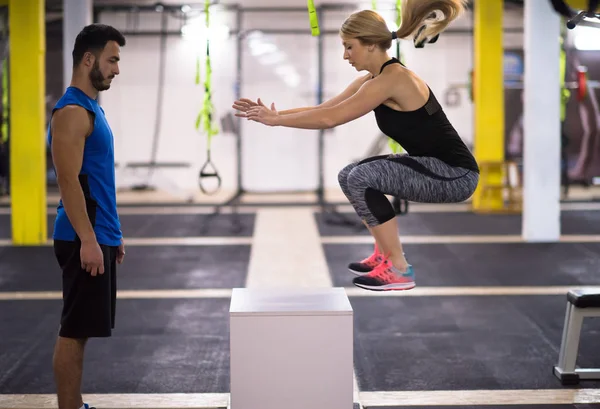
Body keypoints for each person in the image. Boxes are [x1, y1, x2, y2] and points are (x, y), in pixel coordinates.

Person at [232, 0, 479, 292]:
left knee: (362, 176)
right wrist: (274, 115)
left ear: (372, 45)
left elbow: (329, 119)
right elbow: (326, 107)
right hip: (434, 168)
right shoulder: (372, 79)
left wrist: (275, 122)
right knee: (349, 175)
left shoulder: (393, 79)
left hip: (455, 175)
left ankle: (399, 268)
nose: (345, 55)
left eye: (350, 46)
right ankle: (385, 255)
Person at [47, 24, 126, 409]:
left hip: (98, 232)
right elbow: (67, 181)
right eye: (112, 59)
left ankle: (74, 405)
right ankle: (70, 407)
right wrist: (91, 240)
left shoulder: (93, 107)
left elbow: (95, 178)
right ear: (89, 59)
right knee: (73, 330)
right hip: (83, 235)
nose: (116, 69)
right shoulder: (72, 111)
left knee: (83, 329)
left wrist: (113, 235)